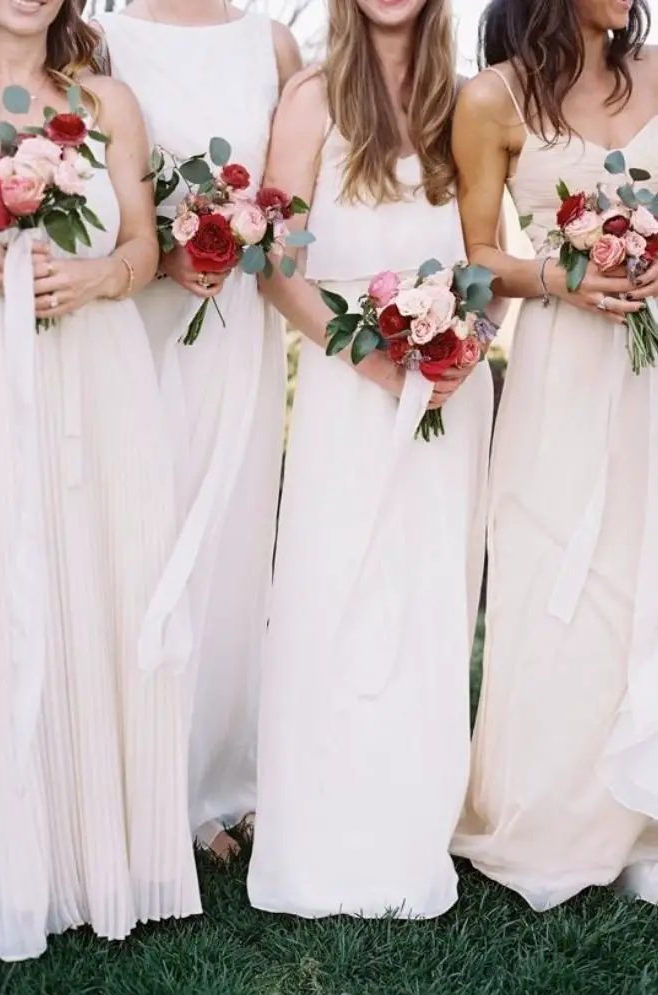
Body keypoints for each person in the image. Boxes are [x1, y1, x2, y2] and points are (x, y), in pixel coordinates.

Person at [247, 0, 494, 919]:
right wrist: (373, 361)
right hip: (349, 389)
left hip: (444, 392)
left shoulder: (459, 102)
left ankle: (408, 829)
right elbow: (278, 268)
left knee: (427, 600)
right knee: (332, 592)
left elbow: (480, 258)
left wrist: (466, 345)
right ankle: (320, 842)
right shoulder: (313, 96)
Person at [0, 0, 200, 962]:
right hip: (6, 373)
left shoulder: (108, 99)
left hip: (105, 371)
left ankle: (108, 855)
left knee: (111, 581)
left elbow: (146, 250)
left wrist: (96, 280)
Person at [451, 0, 658, 909]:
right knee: (555, 575)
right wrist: (561, 277)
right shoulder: (491, 100)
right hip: (560, 367)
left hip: (648, 361)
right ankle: (556, 816)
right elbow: (477, 257)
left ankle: (641, 810)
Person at [93, 0, 301, 858]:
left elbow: (294, 195)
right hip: (142, 321)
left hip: (238, 323)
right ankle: (143, 778)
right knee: (142, 538)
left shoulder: (274, 44)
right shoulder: (103, 40)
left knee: (231, 542)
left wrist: (246, 235)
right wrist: (168, 252)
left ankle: (224, 776)